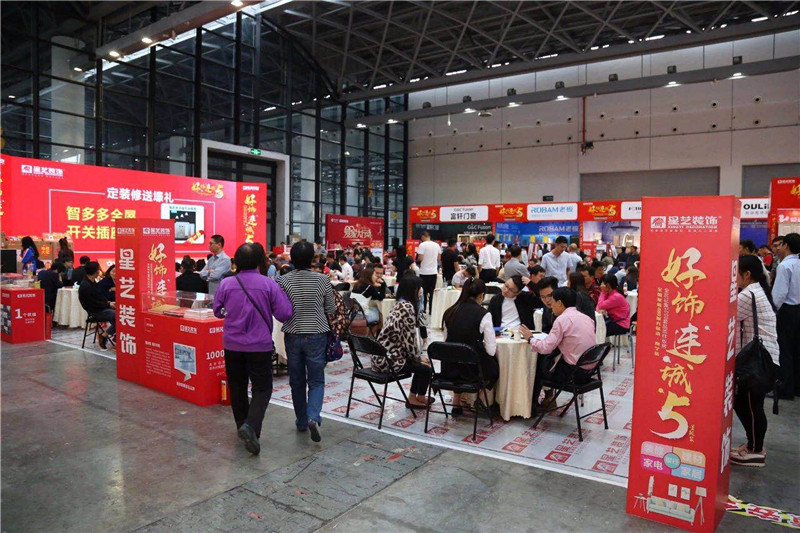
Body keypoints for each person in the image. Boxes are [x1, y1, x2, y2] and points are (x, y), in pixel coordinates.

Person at [213, 243, 293, 455]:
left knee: (237, 386)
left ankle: (243, 425)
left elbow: (217, 312)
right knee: (262, 388)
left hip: (232, 344)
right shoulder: (269, 284)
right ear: (260, 261)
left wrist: (232, 311)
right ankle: (251, 427)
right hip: (259, 346)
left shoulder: (226, 284)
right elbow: (284, 314)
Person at [277, 241, 337, 442]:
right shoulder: (323, 279)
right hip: (317, 333)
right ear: (313, 258)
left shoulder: (282, 280)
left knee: (296, 380)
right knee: (316, 379)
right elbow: (331, 309)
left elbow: (279, 308)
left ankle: (302, 421)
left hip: (292, 333)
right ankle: (313, 416)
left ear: (292, 259)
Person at [729, 255, 780, 467]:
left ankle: (755, 450)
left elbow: (726, 317)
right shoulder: (758, 290)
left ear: (747, 274)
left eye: (736, 273)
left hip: (757, 360)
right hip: (765, 357)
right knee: (750, 403)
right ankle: (753, 445)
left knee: (748, 404)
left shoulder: (747, 295)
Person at [521, 287, 597, 415]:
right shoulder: (586, 318)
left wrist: (530, 338)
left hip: (573, 374)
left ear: (560, 303)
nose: (551, 306)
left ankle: (532, 407)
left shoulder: (562, 320)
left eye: (553, 302)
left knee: (536, 366)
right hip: (590, 371)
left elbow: (545, 348)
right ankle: (546, 400)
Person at [373, 276, 434, 408]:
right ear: (413, 290)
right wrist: (418, 358)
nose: (421, 291)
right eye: (419, 288)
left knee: (421, 364)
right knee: (426, 368)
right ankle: (415, 398)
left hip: (379, 357)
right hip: (389, 360)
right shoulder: (408, 307)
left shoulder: (399, 304)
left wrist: (416, 358)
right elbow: (409, 341)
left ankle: (417, 397)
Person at [441, 279, 499, 415]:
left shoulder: (449, 311)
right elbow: (491, 350)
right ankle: (481, 399)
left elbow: (446, 341)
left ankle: (456, 404)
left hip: (449, 368)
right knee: (494, 367)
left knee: (458, 357)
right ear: (481, 295)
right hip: (472, 371)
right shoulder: (483, 314)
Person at [772, 232, 800, 398]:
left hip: (787, 311)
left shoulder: (784, 266)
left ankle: (786, 388)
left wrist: (772, 310)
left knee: (785, 349)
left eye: (780, 244)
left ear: (786, 246)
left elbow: (779, 294)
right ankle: (796, 387)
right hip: (798, 309)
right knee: (796, 349)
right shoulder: (798, 263)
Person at [78, 262, 115, 350]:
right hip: (95, 311)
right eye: (98, 269)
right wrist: (108, 304)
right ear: (95, 272)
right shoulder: (86, 286)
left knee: (120, 314)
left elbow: (99, 297)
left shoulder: (92, 281)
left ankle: (115, 337)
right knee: (118, 316)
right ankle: (104, 335)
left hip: (100, 308)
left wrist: (109, 302)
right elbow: (93, 303)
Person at [417, 231, 441, 314]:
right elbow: (439, 258)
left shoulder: (422, 245)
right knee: (432, 292)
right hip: (433, 272)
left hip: (424, 272)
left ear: (423, 236)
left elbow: (420, 258)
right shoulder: (437, 245)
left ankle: (423, 310)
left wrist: (418, 262)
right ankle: (431, 310)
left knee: (423, 292)